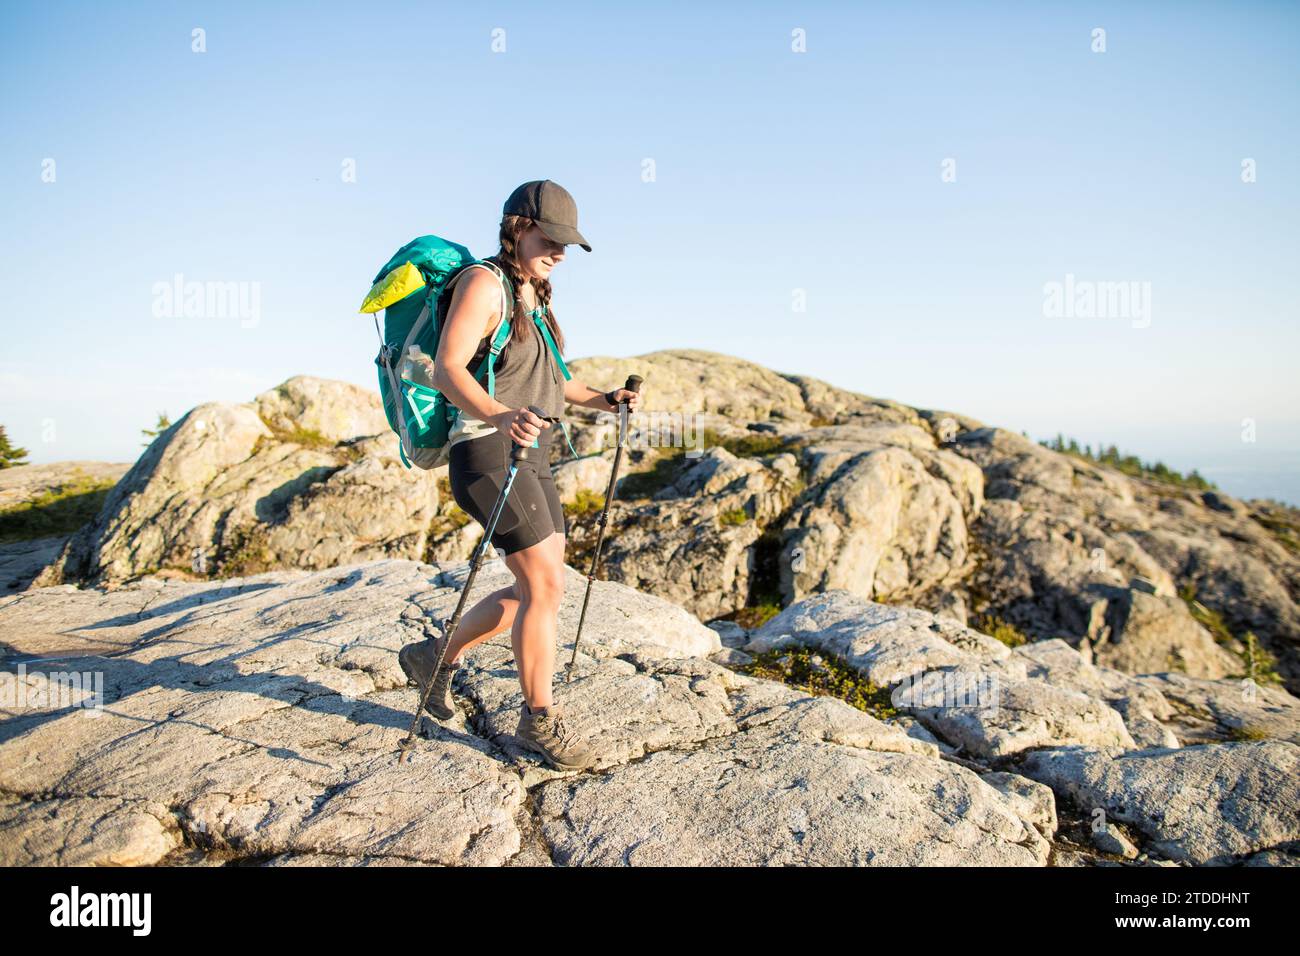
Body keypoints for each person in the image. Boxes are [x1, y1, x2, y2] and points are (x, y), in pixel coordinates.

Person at [398, 180, 640, 771]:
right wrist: (500, 415)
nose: (559, 251)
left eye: (566, 244)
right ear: (516, 227)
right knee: (545, 589)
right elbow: (449, 368)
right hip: (486, 452)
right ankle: (539, 722)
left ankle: (435, 658)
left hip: (532, 456)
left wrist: (605, 398)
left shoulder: (536, 298)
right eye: (549, 237)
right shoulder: (485, 284)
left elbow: (558, 381)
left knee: (536, 588)